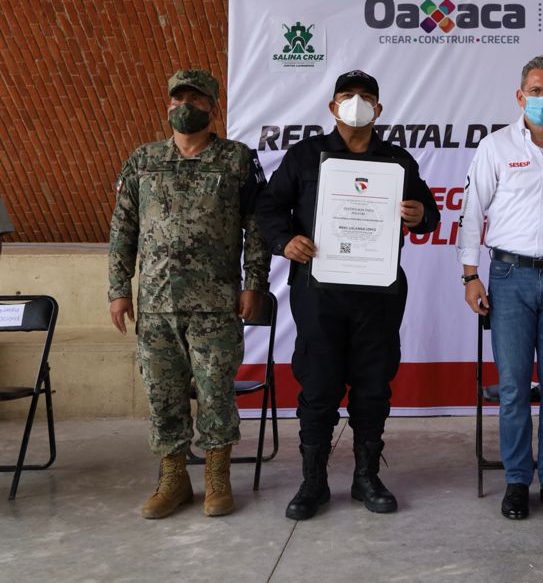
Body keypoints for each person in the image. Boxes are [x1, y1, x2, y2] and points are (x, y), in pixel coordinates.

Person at [256, 69, 440, 521]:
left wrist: (419, 214)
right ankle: (313, 482)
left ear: (378, 108)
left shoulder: (397, 160)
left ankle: (366, 477)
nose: (356, 102)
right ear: (332, 106)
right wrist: (285, 241)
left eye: (365, 96)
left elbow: (430, 215)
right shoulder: (305, 155)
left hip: (378, 293)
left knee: (373, 385)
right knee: (318, 384)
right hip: (319, 292)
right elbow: (268, 207)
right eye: (346, 95)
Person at [108, 69, 270, 519]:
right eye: (178, 99)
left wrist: (254, 283)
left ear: (212, 107)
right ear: (168, 105)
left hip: (216, 304)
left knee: (216, 392)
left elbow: (256, 227)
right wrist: (119, 289)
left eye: (195, 100)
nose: (185, 106)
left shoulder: (236, 159)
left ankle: (217, 478)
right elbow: (123, 228)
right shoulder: (143, 160)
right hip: (156, 304)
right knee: (163, 394)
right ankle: (173, 479)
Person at [457, 55, 543, 520]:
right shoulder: (495, 147)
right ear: (520, 96)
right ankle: (517, 481)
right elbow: (472, 213)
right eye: (535, 91)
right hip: (509, 276)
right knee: (514, 387)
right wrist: (470, 275)